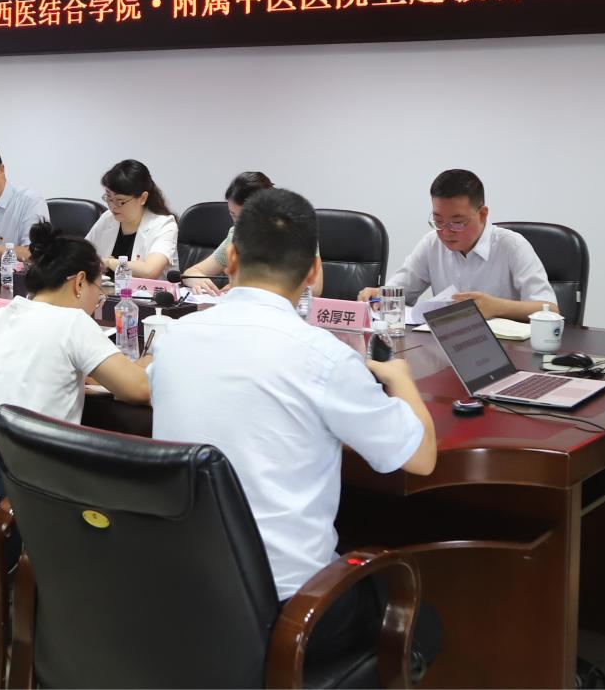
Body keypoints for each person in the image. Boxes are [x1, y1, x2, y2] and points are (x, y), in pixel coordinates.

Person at [151, 188, 439, 668]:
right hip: (291, 616)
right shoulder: (325, 357)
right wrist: (401, 379)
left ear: (233, 258)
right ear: (312, 273)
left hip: (182, 599)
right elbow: (422, 458)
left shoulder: (173, 339)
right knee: (421, 617)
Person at [0, 222, 152, 497]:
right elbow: (138, 389)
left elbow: (44, 365)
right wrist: (147, 363)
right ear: (79, 282)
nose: (96, 302)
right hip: (34, 484)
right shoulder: (73, 322)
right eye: (99, 289)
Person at [360, 169, 558, 319]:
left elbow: (550, 310)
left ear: (482, 214)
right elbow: (398, 291)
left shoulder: (512, 246)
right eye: (438, 221)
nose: (446, 232)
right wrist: (380, 295)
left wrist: (496, 307)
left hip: (508, 350)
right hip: (449, 347)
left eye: (457, 222)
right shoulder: (431, 244)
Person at [179, 171, 324, 296]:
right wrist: (196, 279)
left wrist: (251, 289)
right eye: (233, 215)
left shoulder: (298, 233)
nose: (239, 224)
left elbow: (315, 288)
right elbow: (192, 272)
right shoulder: (236, 235)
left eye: (245, 217)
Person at [84, 159, 179, 280]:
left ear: (143, 198)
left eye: (120, 201)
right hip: (105, 290)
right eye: (109, 197)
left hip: (147, 292)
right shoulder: (108, 218)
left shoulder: (164, 224)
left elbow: (149, 271)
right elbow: (82, 255)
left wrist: (109, 262)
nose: (113, 206)